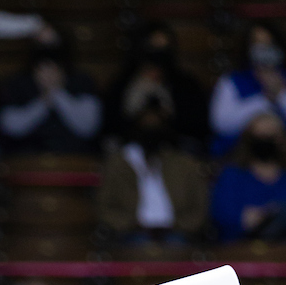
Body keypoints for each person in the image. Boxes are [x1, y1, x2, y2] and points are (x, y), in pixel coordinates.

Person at [98, 101, 208, 243]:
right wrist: (128, 224)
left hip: (177, 232)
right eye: (146, 123)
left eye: (156, 123)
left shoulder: (185, 164)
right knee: (138, 244)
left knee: (176, 244)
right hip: (131, 232)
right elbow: (103, 207)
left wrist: (180, 225)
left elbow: (199, 208)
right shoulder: (119, 164)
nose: (151, 127)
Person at [103, 22, 208, 154]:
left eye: (163, 51)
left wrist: (167, 108)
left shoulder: (185, 84)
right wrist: (135, 102)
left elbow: (197, 127)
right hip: (130, 146)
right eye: (151, 50)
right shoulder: (122, 83)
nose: (157, 59)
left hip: (174, 148)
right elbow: (109, 126)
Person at [0, 37, 102, 154]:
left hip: (75, 156)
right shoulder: (17, 84)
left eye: (53, 69)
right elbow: (10, 128)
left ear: (63, 70)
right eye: (42, 69)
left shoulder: (82, 82)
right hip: (27, 156)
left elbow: (88, 127)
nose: (48, 75)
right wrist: (43, 101)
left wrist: (57, 93)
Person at [210, 22, 286, 155]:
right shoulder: (231, 80)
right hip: (238, 157)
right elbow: (220, 123)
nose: (263, 50)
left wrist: (280, 94)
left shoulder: (283, 80)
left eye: (268, 43)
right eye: (258, 44)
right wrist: (265, 99)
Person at [211, 112, 286, 241]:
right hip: (238, 247)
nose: (265, 140)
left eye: (270, 135)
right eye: (260, 135)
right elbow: (220, 214)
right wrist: (246, 218)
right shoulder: (232, 175)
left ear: (281, 139)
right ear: (249, 138)